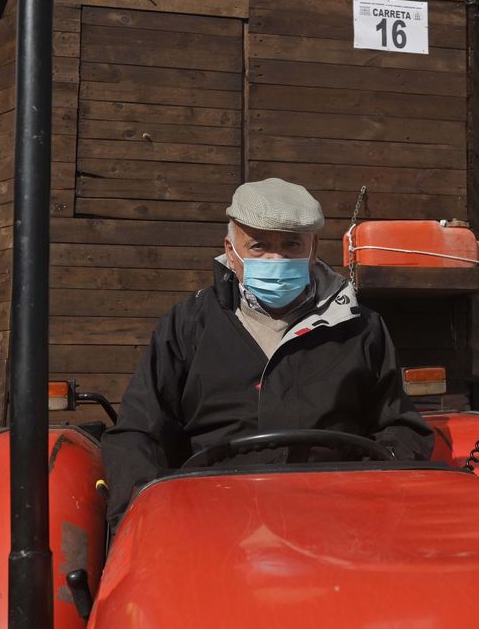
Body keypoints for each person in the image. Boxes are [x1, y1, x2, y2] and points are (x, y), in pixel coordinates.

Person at [100, 178, 433, 531]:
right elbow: (139, 433)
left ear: (313, 247)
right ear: (231, 250)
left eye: (291, 245)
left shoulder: (362, 328)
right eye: (258, 246)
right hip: (212, 520)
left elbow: (400, 427)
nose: (277, 259)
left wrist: (375, 501)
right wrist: (144, 521)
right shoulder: (187, 325)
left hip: (334, 520)